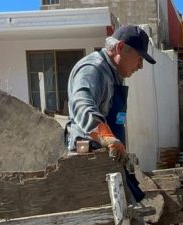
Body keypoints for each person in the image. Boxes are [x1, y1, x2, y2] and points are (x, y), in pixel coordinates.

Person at [64, 24, 155, 161]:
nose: (141, 66)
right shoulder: (93, 69)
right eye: (139, 58)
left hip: (108, 159)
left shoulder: (115, 75)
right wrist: (106, 136)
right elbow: (81, 104)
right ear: (120, 48)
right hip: (88, 162)